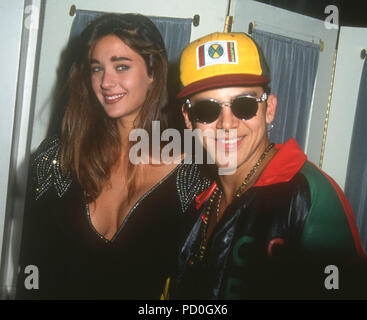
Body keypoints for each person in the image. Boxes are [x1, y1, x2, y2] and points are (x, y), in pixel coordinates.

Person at [16, 13, 210, 299]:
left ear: (153, 72)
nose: (106, 81)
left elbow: (199, 288)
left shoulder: (192, 178)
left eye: (121, 66)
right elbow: (31, 266)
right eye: (97, 69)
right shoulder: (57, 159)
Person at [170, 32, 367, 299]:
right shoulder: (198, 196)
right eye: (207, 110)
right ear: (189, 119)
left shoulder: (310, 197)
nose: (227, 124)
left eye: (245, 105)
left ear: (269, 109)